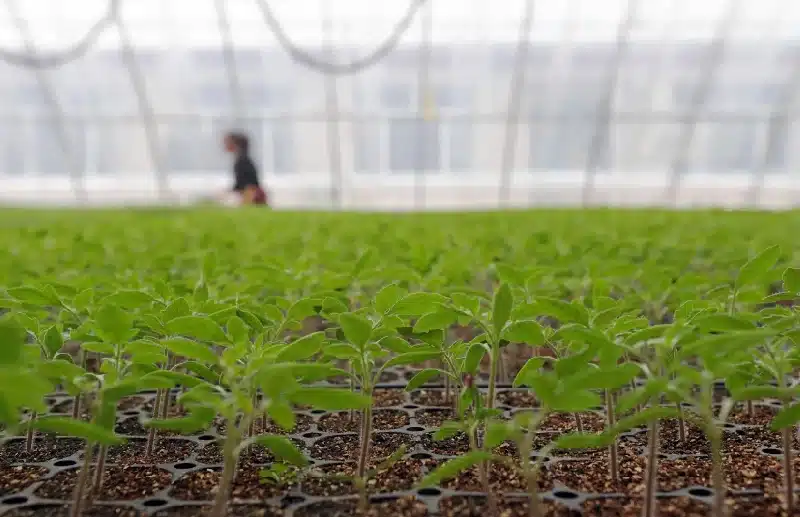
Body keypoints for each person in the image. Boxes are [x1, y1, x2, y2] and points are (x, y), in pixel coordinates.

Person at [221, 131, 268, 206]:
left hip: (251, 195)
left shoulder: (242, 161)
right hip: (248, 193)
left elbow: (244, 184)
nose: (225, 145)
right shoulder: (242, 159)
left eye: (227, 142)